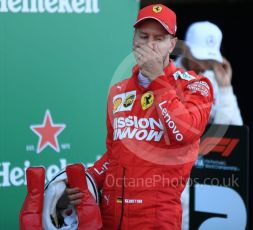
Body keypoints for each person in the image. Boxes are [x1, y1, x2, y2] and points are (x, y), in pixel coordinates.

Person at [65, 4, 213, 230]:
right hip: (110, 216)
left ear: (172, 44)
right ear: (133, 40)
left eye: (159, 38)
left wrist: (157, 79)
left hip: (156, 218)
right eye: (143, 36)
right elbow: (116, 152)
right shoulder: (119, 91)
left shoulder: (195, 85)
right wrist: (89, 179)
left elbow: (184, 133)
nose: (149, 45)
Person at [175, 21, 244, 230]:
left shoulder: (215, 80)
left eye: (208, 57)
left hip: (208, 169)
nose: (203, 64)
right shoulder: (166, 76)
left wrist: (225, 89)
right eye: (199, 56)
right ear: (185, 48)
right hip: (173, 172)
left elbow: (235, 131)